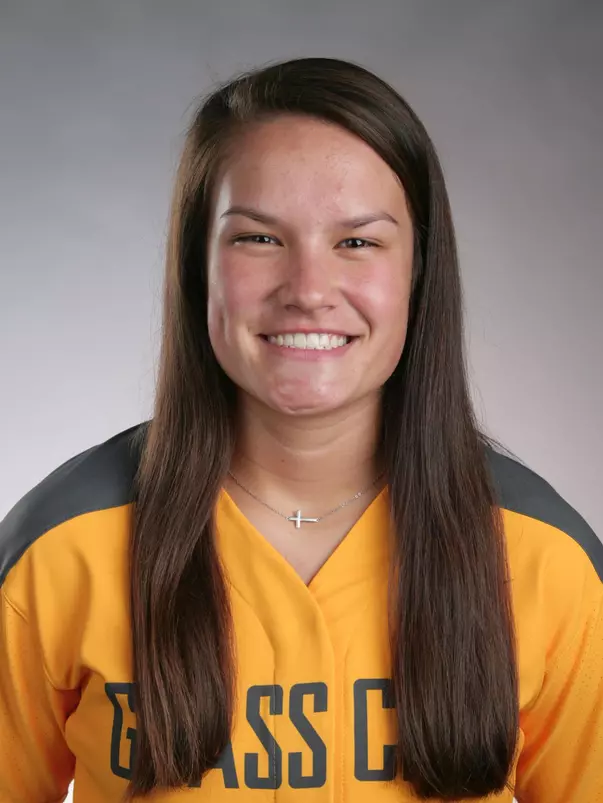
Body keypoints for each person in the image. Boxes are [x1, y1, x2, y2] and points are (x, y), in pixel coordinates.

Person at [0, 57, 601, 803]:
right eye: (258, 239)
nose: (309, 291)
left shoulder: (544, 557)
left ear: (418, 268)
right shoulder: (60, 548)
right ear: (198, 265)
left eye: (357, 242)